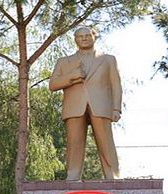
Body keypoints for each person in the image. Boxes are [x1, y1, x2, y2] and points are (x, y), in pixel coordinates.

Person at [49, 26, 121, 180]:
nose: (84, 39)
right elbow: (53, 84)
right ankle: (73, 176)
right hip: (74, 107)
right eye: (80, 36)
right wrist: (72, 75)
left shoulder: (108, 59)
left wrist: (116, 108)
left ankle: (112, 175)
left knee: (106, 143)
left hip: (101, 106)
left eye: (87, 35)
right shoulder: (64, 62)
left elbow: (116, 85)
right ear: (75, 40)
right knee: (74, 144)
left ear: (94, 36)